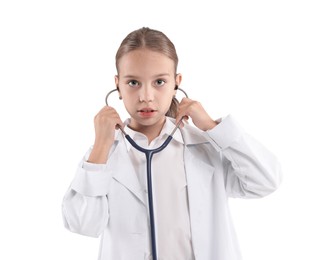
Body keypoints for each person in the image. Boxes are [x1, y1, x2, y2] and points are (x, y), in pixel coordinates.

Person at [62, 27, 282, 260]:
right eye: (133, 82)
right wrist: (101, 145)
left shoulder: (204, 147)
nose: (146, 96)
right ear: (118, 85)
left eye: (159, 81)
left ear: (176, 83)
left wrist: (211, 127)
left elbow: (265, 180)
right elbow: (82, 224)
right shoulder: (104, 155)